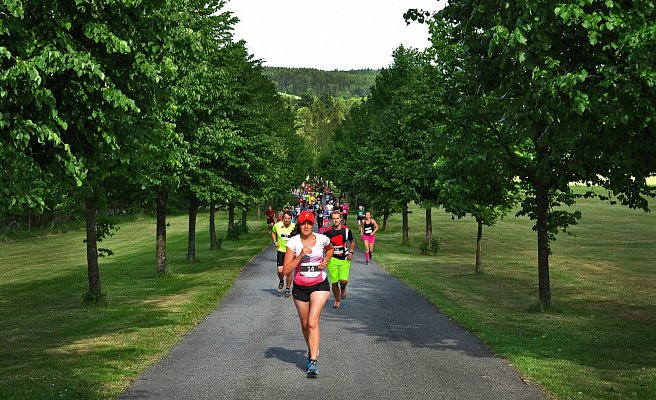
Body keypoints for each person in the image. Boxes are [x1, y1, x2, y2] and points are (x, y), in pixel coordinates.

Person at [283, 210, 334, 377]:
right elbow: (286, 270)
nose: (306, 226)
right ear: (299, 224)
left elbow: (330, 249)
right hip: (300, 286)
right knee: (305, 324)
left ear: (313, 224)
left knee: (312, 322)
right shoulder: (293, 242)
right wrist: (300, 256)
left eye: (309, 223)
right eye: (303, 223)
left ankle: (313, 362)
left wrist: (326, 259)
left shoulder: (321, 238)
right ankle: (312, 348)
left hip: (319, 283)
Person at [324, 210, 356, 309]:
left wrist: (351, 252)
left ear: (341, 219)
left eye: (337, 218)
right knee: (334, 282)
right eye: (334, 218)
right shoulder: (327, 232)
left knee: (343, 281)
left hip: (344, 259)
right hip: (332, 259)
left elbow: (352, 241)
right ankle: (337, 300)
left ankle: (343, 288)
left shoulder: (346, 230)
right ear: (331, 219)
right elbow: (324, 245)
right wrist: (326, 253)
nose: (336, 220)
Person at [271, 211, 297, 297]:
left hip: (290, 251)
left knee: (289, 272)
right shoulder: (277, 225)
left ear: (291, 219)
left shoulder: (294, 227)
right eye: (285, 218)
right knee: (280, 270)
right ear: (283, 218)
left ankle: (288, 288)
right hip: (281, 250)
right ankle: (281, 281)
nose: (287, 220)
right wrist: (275, 241)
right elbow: (273, 232)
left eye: (289, 218)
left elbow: (299, 237)